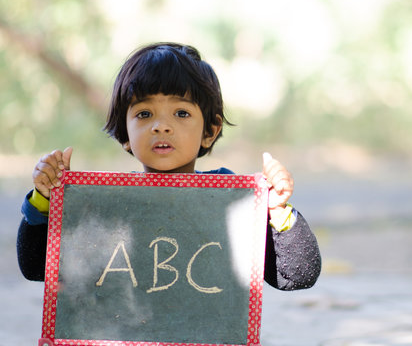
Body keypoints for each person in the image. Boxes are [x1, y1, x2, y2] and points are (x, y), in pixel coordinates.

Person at [16, 42, 321, 291]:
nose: (161, 126)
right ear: (125, 135)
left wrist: (277, 211)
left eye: (181, 113)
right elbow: (36, 268)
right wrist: (46, 199)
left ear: (210, 132)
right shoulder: (108, 202)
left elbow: (296, 275)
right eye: (145, 114)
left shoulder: (231, 199)